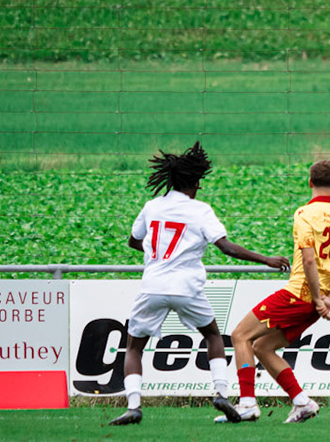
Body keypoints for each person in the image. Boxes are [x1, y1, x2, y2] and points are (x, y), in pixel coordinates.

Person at [109, 143, 289, 427]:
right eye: (199, 183)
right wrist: (265, 259)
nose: (199, 188)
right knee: (212, 335)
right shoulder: (200, 210)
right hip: (187, 287)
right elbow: (226, 247)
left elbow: (133, 240)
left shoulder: (152, 206)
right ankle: (220, 393)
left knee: (134, 347)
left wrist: (157, 254)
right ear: (192, 183)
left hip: (152, 285)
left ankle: (133, 406)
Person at [224, 160, 330, 425]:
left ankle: (247, 404)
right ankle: (302, 402)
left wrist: (319, 298)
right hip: (313, 305)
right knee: (262, 347)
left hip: (298, 294)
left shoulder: (305, 214)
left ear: (310, 182)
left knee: (240, 335)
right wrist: (328, 299)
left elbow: (308, 261)